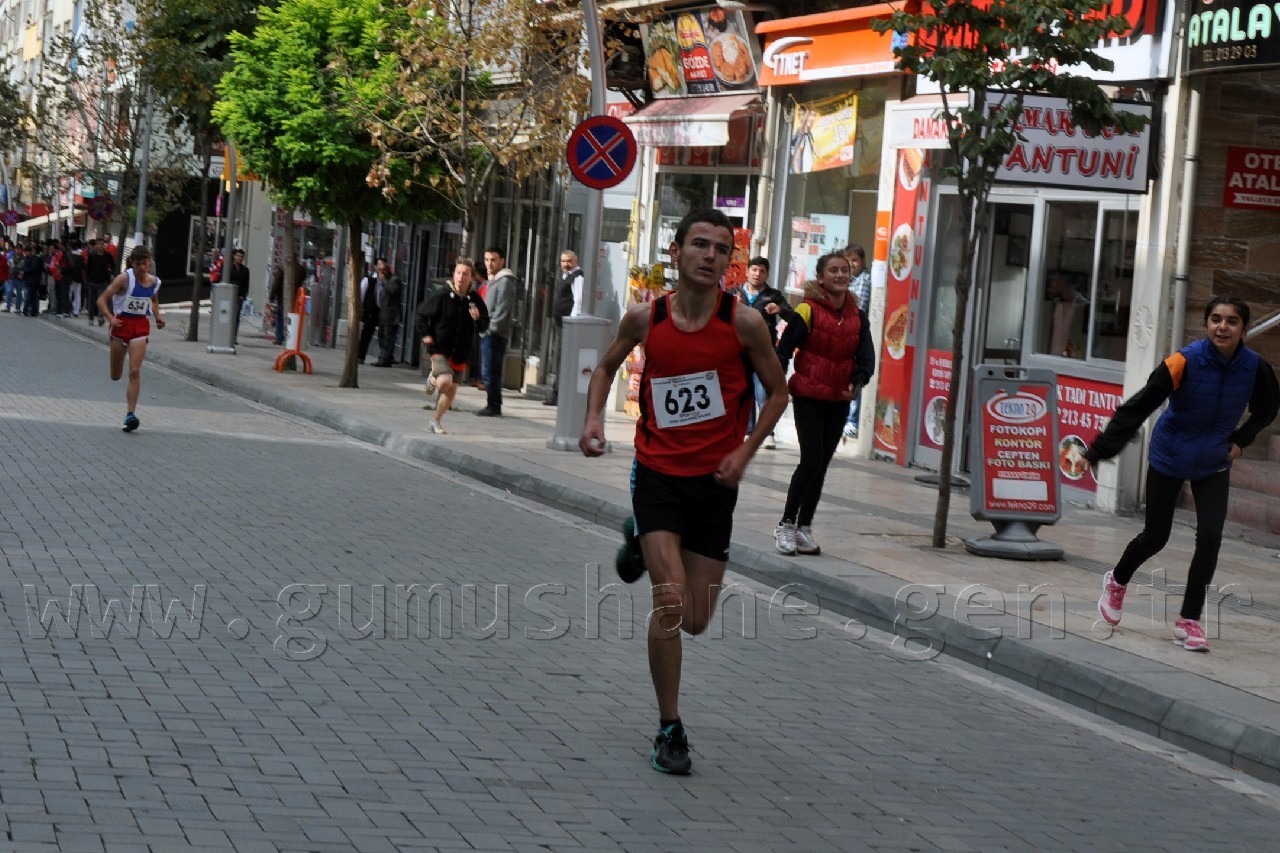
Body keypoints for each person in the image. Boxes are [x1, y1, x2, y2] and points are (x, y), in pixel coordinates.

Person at [579, 208, 788, 775]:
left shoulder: (743, 323)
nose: (710, 256)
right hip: (657, 476)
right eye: (699, 245)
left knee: (696, 618)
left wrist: (744, 451)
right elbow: (604, 369)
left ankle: (635, 543)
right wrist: (595, 419)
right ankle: (670, 726)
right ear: (675, 252)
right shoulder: (647, 318)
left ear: (729, 261)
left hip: (714, 484)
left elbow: (778, 393)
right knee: (670, 602)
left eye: (721, 249)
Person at [1077, 296, 1278, 652]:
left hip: (1213, 460)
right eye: (1215, 319)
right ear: (1206, 325)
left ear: (1245, 329)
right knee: (1156, 537)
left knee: (1211, 536)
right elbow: (1137, 407)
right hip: (1170, 455)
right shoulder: (1183, 362)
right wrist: (1098, 451)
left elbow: (1269, 407)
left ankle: (1189, 620)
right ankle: (1117, 580)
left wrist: (1241, 440)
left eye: (1231, 321)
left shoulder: (1255, 368)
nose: (1222, 327)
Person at [774, 252, 876, 556]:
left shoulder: (857, 316)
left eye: (845, 271)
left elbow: (866, 356)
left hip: (838, 399)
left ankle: (804, 528)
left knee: (821, 465)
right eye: (833, 270)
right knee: (811, 460)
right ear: (821, 278)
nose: (840, 275)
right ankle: (785, 525)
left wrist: (857, 380)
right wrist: (776, 382)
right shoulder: (807, 310)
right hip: (808, 396)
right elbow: (785, 348)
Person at [416, 258, 489, 434]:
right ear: (454, 274)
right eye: (458, 273)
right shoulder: (442, 295)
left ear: (471, 277)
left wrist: (478, 318)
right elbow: (421, 314)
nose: (461, 277)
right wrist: (426, 334)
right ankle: (433, 378)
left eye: (465, 274)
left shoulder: (474, 298)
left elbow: (484, 326)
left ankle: (435, 421)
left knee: (450, 391)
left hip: (461, 351)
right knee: (444, 381)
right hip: (440, 347)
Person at [97, 246, 166, 432]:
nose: (142, 268)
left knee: (134, 371)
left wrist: (158, 318)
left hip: (140, 327)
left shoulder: (154, 282)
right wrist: (111, 318)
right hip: (121, 325)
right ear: (132, 264)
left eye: (145, 263)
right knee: (116, 375)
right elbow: (102, 299)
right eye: (138, 264)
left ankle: (130, 415)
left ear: (149, 262)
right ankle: (127, 405)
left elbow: (153, 301)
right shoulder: (124, 279)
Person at [729, 255, 788, 448]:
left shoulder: (773, 295)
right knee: (746, 392)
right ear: (747, 272)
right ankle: (748, 430)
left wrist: (779, 309)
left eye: (762, 271)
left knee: (764, 393)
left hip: (764, 351)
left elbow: (790, 312)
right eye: (754, 270)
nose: (757, 274)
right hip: (739, 351)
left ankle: (768, 433)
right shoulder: (735, 293)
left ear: (767, 274)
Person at [477, 247, 516, 416]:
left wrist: (490, 329)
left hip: (494, 335)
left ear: (502, 261)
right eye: (486, 260)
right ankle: (492, 403)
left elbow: (502, 310)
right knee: (488, 370)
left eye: (493, 260)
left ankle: (493, 405)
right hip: (486, 332)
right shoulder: (491, 281)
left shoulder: (505, 282)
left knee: (490, 370)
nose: (489, 263)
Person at [544, 250, 584, 406]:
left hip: (568, 325)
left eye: (569, 261)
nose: (566, 264)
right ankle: (556, 394)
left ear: (576, 261)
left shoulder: (577, 277)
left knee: (563, 359)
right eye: (563, 261)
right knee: (560, 359)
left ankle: (559, 395)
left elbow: (578, 301)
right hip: (562, 324)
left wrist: (572, 323)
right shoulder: (566, 277)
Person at [842, 244, 873, 438]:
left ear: (862, 261)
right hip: (845, 334)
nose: (852, 264)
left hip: (856, 334)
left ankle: (852, 421)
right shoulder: (849, 280)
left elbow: (855, 307)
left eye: (855, 260)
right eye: (849, 260)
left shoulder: (864, 280)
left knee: (855, 377)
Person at [369, 257, 404, 367]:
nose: (380, 273)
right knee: (382, 337)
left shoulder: (394, 279)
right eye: (379, 270)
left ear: (387, 270)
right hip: (382, 313)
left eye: (382, 270)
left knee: (388, 338)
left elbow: (394, 290)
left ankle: (385, 360)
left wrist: (384, 280)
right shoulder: (380, 281)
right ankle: (383, 358)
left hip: (391, 315)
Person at [1046, 272, 1088, 358]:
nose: (1054, 288)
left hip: (1074, 356)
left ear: (1065, 284)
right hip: (1053, 355)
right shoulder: (1055, 304)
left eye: (1058, 284)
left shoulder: (1083, 305)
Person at [85, 239, 113, 327]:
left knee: (101, 300)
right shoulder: (92, 255)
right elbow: (88, 268)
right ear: (96, 245)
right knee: (92, 300)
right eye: (99, 244)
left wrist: (112, 274)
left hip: (103, 281)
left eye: (102, 244)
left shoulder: (107, 255)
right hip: (93, 281)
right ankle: (91, 318)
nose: (100, 246)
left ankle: (101, 317)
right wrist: (88, 278)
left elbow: (113, 265)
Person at [357, 261, 380, 363]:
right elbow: (361, 295)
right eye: (379, 264)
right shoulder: (368, 279)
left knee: (370, 335)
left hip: (379, 312)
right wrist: (361, 309)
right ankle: (360, 356)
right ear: (375, 266)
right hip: (368, 311)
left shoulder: (385, 281)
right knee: (365, 334)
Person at [227, 248, 251, 345]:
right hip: (229, 295)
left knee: (236, 316)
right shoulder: (228, 268)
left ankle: (234, 337)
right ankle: (227, 334)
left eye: (241, 256)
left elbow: (246, 284)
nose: (239, 258)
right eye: (238, 256)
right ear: (234, 256)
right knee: (228, 315)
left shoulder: (245, 270)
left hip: (239, 296)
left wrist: (243, 296)